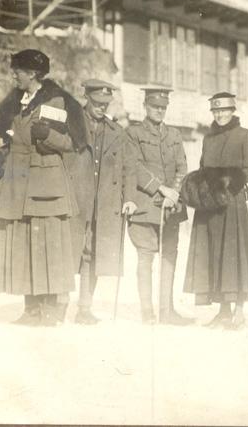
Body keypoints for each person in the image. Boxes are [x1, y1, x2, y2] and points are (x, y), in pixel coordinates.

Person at [0, 49, 86, 325]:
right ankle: (32, 309)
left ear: (33, 74)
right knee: (25, 245)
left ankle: (51, 309)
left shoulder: (54, 102)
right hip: (19, 185)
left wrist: (47, 135)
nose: (14, 75)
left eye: (19, 71)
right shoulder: (19, 102)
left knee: (47, 247)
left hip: (45, 188)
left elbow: (70, 144)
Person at [184, 92, 248, 329]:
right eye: (216, 111)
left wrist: (227, 182)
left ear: (233, 111)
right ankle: (223, 311)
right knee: (216, 254)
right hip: (211, 206)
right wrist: (200, 186)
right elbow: (203, 168)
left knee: (237, 255)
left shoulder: (246, 136)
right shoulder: (208, 139)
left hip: (234, 203)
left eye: (224, 110)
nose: (220, 115)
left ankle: (239, 311)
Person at [71, 79, 137, 324]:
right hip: (77, 200)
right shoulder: (72, 125)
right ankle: (55, 305)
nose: (101, 108)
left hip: (104, 204)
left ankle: (84, 308)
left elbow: (129, 168)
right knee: (71, 251)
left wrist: (129, 198)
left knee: (93, 254)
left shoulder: (116, 132)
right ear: (87, 98)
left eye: (105, 104)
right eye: (97, 103)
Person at [126, 87, 192, 325]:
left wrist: (173, 193)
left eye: (163, 108)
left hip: (171, 207)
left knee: (169, 257)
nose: (159, 111)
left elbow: (181, 167)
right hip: (145, 206)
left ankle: (167, 311)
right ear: (145, 106)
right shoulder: (132, 133)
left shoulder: (174, 135)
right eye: (155, 107)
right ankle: (147, 312)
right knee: (145, 258)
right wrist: (160, 189)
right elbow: (134, 167)